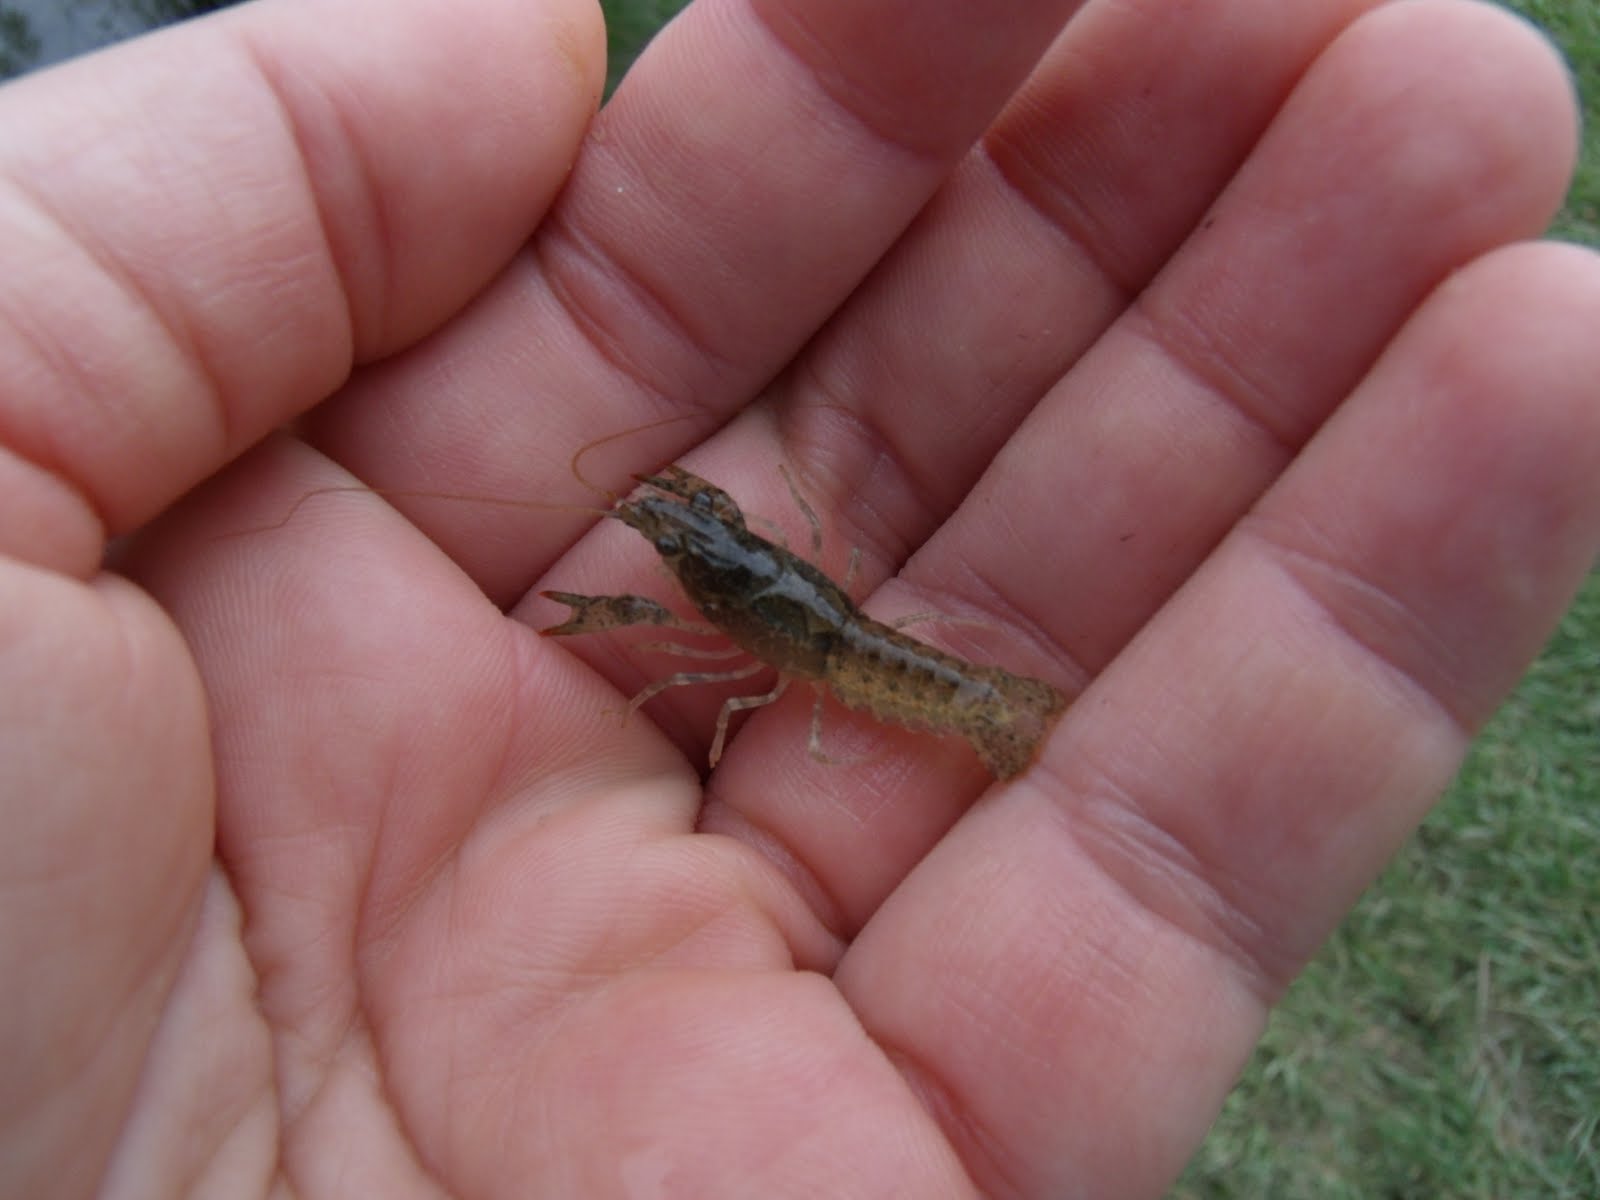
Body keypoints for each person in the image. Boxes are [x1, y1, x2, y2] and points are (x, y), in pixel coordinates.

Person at [3, 0, 1595, 1195]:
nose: (677, 536)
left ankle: (982, 715)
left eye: (688, 531)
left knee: (719, 653)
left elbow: (701, 643)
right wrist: (704, 537)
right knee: (761, 616)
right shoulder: (748, 564)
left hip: (866, 666)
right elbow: (729, 563)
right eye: (690, 533)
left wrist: (653, 608)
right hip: (845, 641)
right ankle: (972, 705)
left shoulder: (730, 625)